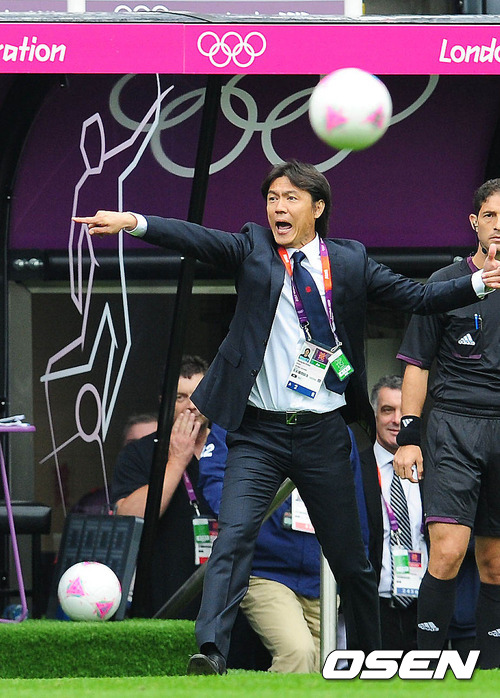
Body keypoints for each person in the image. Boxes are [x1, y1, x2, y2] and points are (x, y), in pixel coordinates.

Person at [74, 159, 500, 675]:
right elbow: (196, 238)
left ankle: (371, 659)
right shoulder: (251, 247)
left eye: (291, 198)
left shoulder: (349, 260)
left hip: (323, 433)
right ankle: (210, 651)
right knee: (233, 538)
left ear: (317, 208)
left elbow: (418, 295)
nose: (278, 206)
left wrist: (477, 285)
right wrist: (134, 222)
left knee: (352, 561)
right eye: (273, 198)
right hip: (258, 433)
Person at [394, 178, 500, 670]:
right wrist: (409, 436)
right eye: (491, 215)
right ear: (474, 222)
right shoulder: (445, 282)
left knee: (495, 563)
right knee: (448, 551)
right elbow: (417, 364)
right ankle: (426, 668)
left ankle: (492, 675)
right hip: (453, 427)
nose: (499, 226)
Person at [200, 425, 369, 673]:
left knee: (323, 670)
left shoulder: (337, 427)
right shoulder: (243, 414)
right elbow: (215, 480)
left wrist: (353, 574)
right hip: (265, 572)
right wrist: (251, 522)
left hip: (321, 578)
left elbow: (354, 510)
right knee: (297, 653)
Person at [111, 355, 227, 618]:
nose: (192, 405)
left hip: (229, 594)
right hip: (166, 593)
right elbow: (129, 518)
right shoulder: (140, 453)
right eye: (180, 397)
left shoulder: (234, 448)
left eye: (200, 394)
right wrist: (176, 461)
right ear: (164, 402)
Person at [360, 375, 427, 651]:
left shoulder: (433, 468)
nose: (397, 420)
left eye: (404, 412)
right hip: (375, 603)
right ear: (375, 415)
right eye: (388, 410)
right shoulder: (356, 468)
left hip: (425, 605)